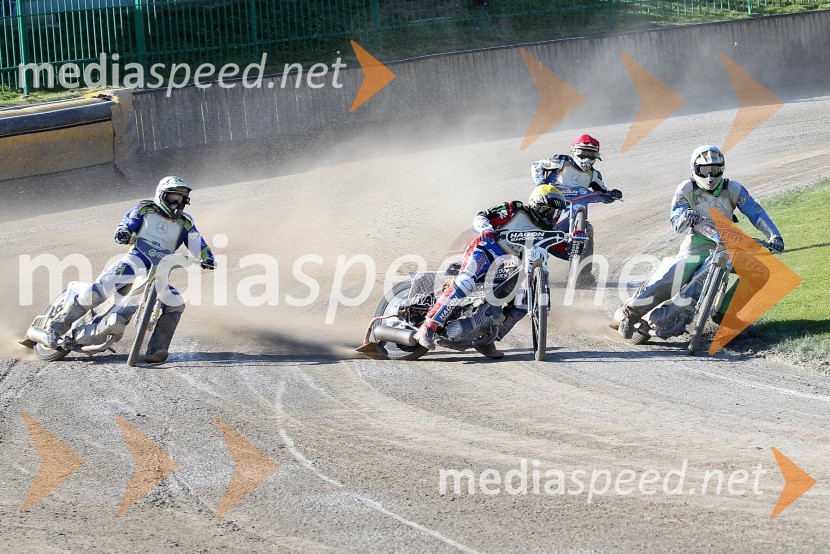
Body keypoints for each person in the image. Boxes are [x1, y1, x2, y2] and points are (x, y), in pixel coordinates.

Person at [617, 145, 784, 339]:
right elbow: (676, 224)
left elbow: (755, 212)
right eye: (704, 170)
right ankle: (630, 315)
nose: (710, 176)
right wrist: (686, 216)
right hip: (696, 247)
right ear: (694, 169)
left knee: (760, 272)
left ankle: (724, 314)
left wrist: (774, 235)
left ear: (722, 169)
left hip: (727, 247)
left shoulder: (734, 188)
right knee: (670, 281)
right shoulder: (685, 188)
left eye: (715, 170)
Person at [45, 176, 216, 363]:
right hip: (134, 261)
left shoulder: (185, 222)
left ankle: (157, 349)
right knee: (100, 290)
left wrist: (207, 258)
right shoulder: (144, 209)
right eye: (173, 197)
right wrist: (123, 232)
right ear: (161, 195)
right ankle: (55, 328)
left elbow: (198, 243)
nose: (177, 202)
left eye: (181, 198)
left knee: (176, 304)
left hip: (159, 271)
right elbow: (126, 224)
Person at [414, 184, 567, 358]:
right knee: (465, 283)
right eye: (549, 210)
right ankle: (428, 327)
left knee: (523, 303)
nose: (552, 216)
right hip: (485, 251)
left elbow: (564, 250)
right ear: (537, 205)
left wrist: (577, 244)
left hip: (512, 267)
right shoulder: (514, 209)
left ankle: (487, 339)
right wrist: (486, 229)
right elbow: (481, 216)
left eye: (556, 212)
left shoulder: (549, 231)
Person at [531, 134, 622, 279]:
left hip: (574, 215)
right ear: (573, 151)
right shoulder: (560, 161)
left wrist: (612, 195)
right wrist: (541, 182)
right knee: (530, 223)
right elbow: (537, 165)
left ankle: (584, 273)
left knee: (588, 229)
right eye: (583, 153)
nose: (586, 158)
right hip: (548, 205)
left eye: (591, 154)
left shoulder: (594, 175)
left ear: (597, 155)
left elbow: (604, 193)